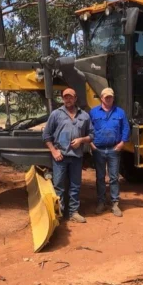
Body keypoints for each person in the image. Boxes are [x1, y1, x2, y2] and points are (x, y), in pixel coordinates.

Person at [42, 88, 94, 223]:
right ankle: (59, 212)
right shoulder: (56, 114)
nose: (68, 99)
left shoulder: (84, 116)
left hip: (76, 156)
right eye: (65, 97)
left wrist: (81, 140)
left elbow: (92, 135)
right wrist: (54, 151)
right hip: (60, 156)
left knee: (75, 185)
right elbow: (46, 136)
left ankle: (73, 212)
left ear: (75, 98)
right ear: (62, 99)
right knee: (59, 185)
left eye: (70, 97)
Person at [89, 87, 130, 217]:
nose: (108, 99)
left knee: (114, 177)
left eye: (110, 97)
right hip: (98, 150)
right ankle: (101, 202)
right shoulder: (93, 112)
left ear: (113, 98)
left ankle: (115, 203)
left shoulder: (120, 112)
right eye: (106, 97)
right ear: (101, 98)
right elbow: (87, 129)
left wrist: (122, 143)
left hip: (114, 149)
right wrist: (91, 144)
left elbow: (126, 128)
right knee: (100, 178)